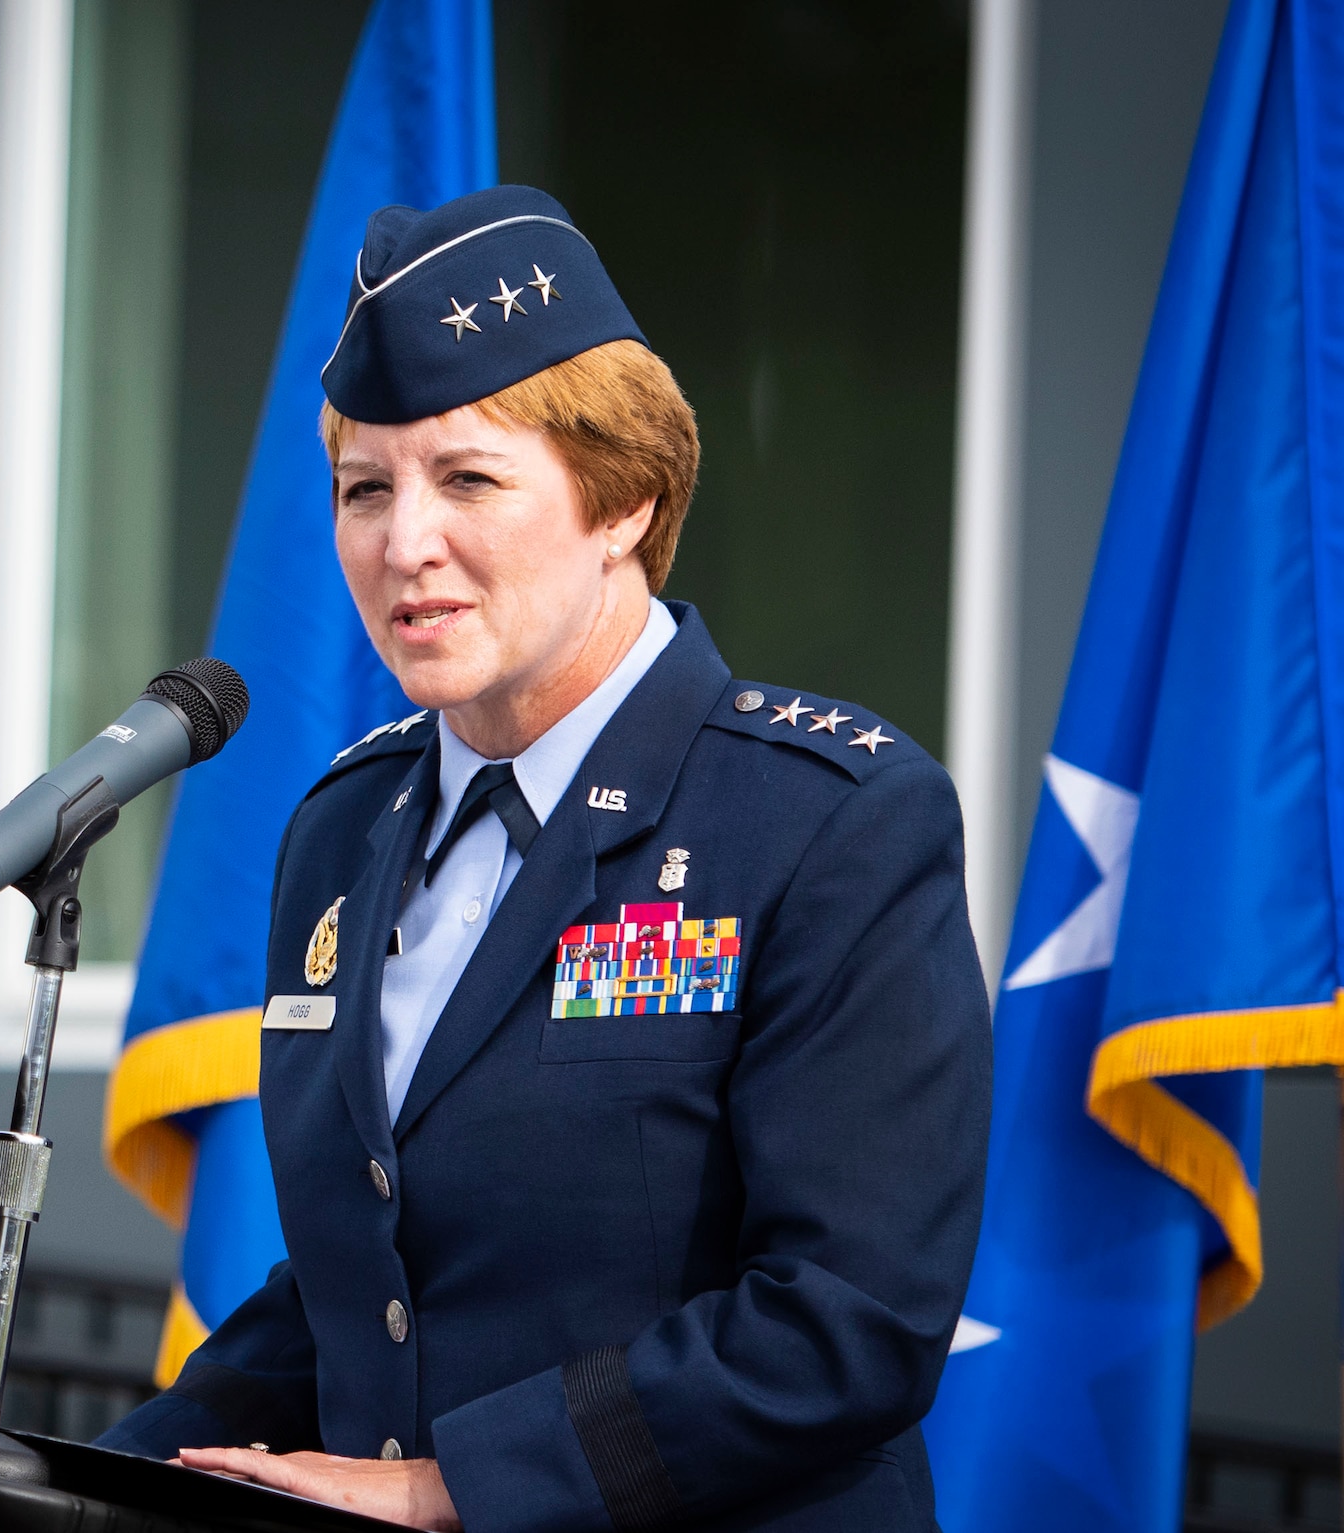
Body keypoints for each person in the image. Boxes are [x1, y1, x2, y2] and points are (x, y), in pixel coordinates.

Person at [97, 185, 991, 1533]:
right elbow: (373, 1284)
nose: (406, 544)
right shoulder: (342, 828)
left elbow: (847, 1319)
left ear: (625, 497)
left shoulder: (828, 820)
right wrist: (100, 1472)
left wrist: (457, 1488)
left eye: (468, 479)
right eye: (363, 489)